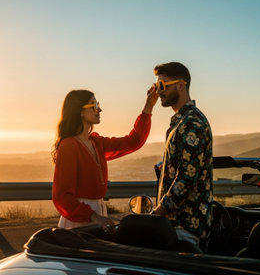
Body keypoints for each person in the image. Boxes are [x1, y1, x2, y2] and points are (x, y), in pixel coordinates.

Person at [52, 87, 158, 233]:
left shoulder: (96, 142)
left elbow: (133, 141)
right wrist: (94, 216)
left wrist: (148, 106)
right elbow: (62, 196)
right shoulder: (69, 146)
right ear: (80, 111)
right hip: (78, 221)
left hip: (98, 215)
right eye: (94, 105)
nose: (99, 110)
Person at [152, 62, 213, 252]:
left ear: (181, 85)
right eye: (156, 86)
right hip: (176, 225)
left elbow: (186, 177)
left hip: (184, 226)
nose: (158, 91)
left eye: (162, 85)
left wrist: (158, 212)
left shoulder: (192, 123)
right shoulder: (181, 122)